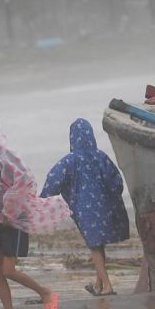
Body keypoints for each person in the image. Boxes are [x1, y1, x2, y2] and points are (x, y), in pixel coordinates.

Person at [0, 112, 71, 309]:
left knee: (8, 269)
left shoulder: (6, 154)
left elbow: (25, 180)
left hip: (13, 218)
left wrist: (9, 209)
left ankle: (46, 293)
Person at [41, 118, 130, 297]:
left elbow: (54, 179)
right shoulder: (101, 157)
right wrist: (112, 197)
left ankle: (107, 286)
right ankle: (98, 284)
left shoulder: (70, 160)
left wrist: (42, 198)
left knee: (94, 246)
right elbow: (116, 181)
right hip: (105, 207)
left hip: (85, 210)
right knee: (98, 244)